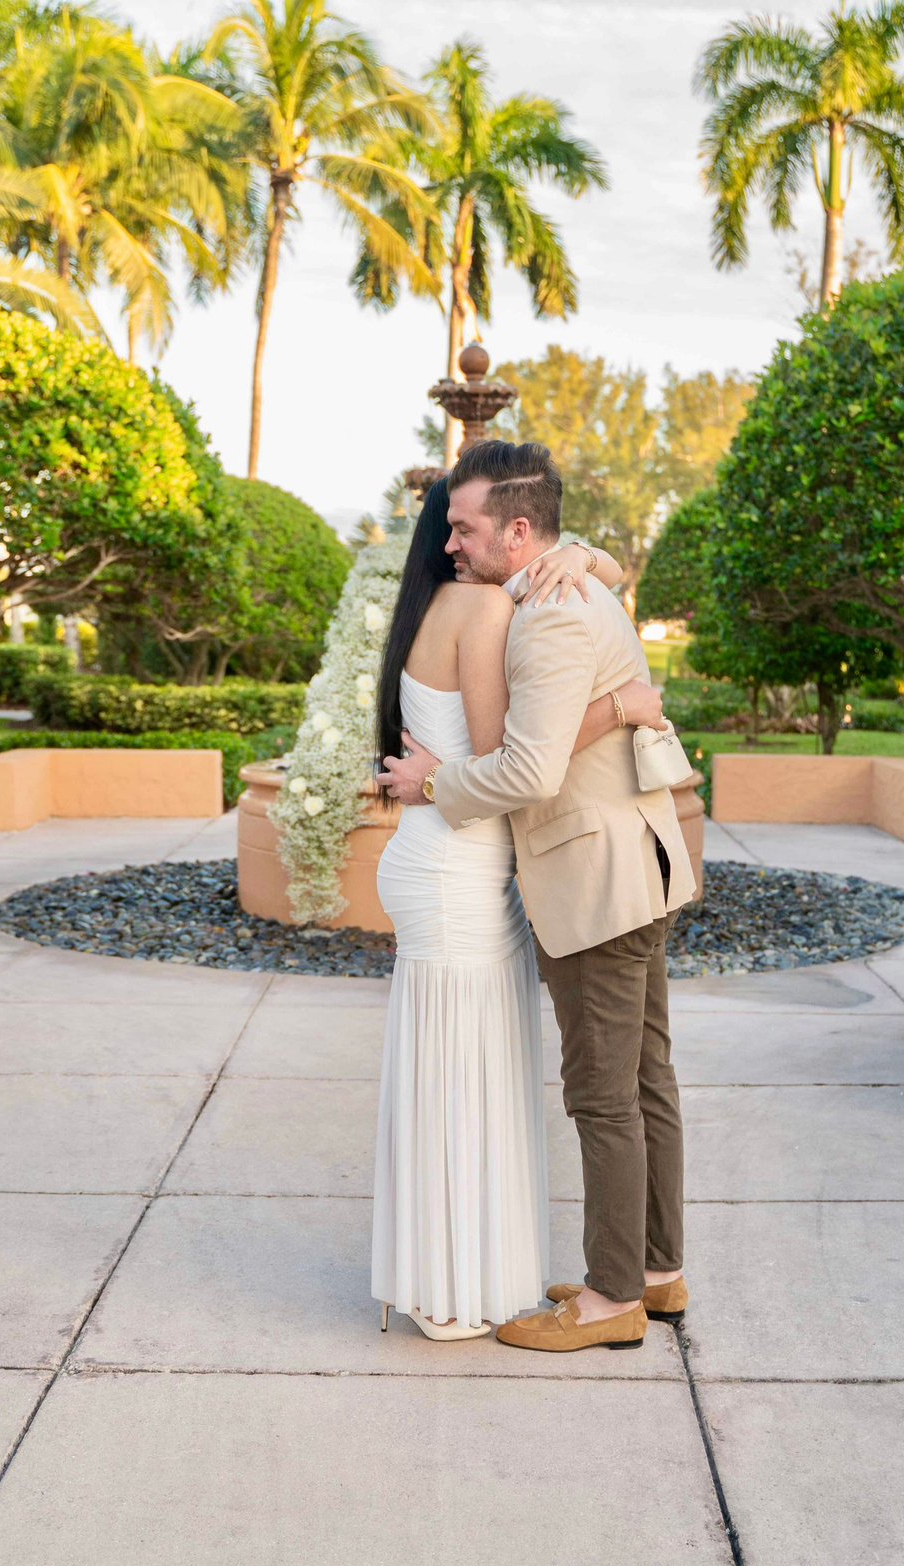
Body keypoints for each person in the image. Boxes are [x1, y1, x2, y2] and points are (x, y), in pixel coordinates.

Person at [381, 441, 696, 1353]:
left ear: (520, 532)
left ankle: (610, 1300)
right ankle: (657, 1273)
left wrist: (437, 783)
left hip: (592, 876)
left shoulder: (548, 614)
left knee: (605, 1094)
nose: (450, 542)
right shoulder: (570, 584)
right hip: (634, 862)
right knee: (645, 1079)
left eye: (466, 527)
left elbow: (526, 765)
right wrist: (626, 696)